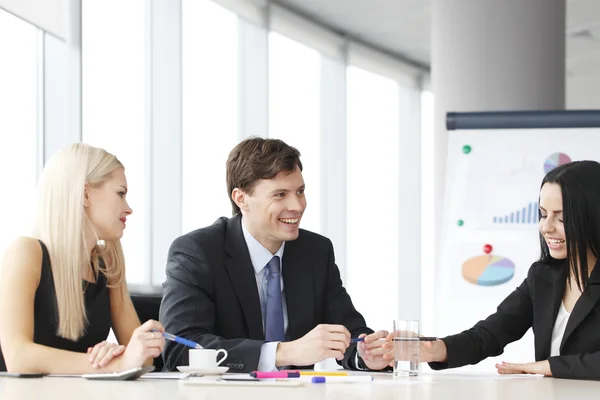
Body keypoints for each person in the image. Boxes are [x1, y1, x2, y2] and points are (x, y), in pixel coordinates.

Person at [160, 137, 389, 372]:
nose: (297, 206)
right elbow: (181, 350)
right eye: (280, 194)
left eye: (300, 191)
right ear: (241, 198)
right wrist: (283, 352)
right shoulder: (197, 252)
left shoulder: (315, 251)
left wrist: (365, 354)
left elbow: (348, 331)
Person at [378, 160, 600, 380]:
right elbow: (490, 334)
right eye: (543, 214)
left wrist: (546, 367)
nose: (546, 227)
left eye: (561, 218)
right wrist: (433, 349)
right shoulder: (543, 277)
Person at [0, 143, 165, 373]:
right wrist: (114, 363)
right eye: (120, 193)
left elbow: (143, 360)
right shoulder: (26, 253)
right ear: (85, 193)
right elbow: (18, 357)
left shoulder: (108, 263)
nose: (129, 209)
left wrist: (116, 353)